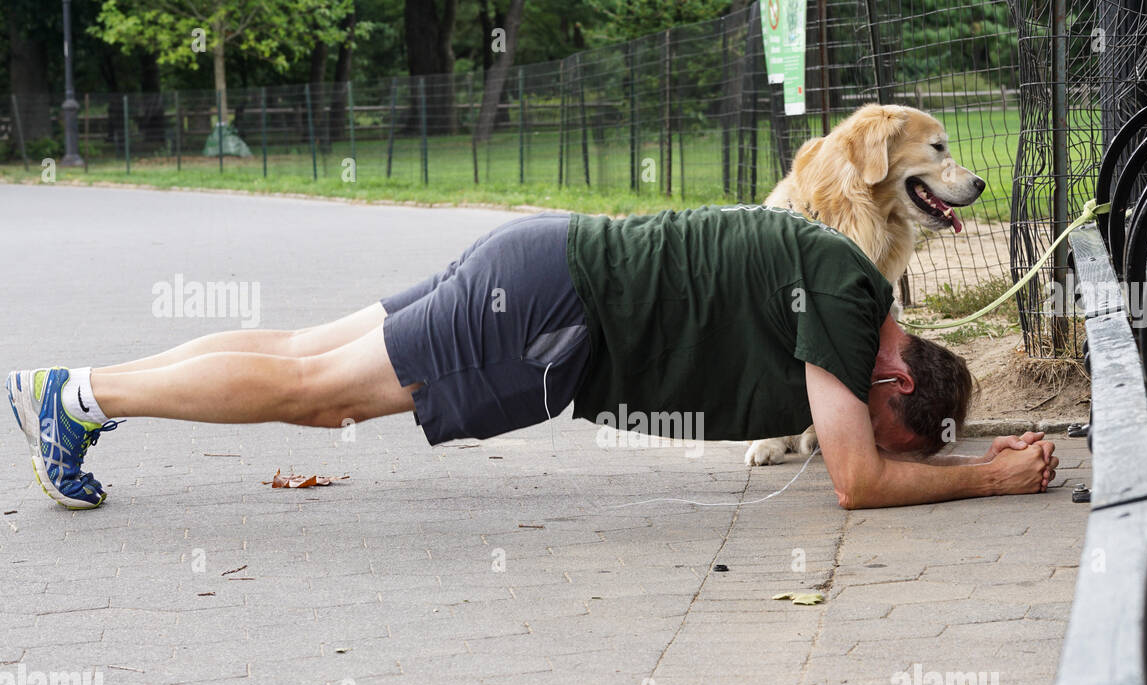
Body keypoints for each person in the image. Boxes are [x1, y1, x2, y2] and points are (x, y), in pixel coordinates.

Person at [6, 204, 1056, 512]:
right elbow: (855, 480)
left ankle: (84, 388)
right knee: (312, 394)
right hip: (551, 310)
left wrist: (971, 447)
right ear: (898, 380)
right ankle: (80, 395)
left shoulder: (837, 284)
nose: (847, 422)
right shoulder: (850, 300)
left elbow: (858, 452)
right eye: (877, 418)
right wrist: (984, 474)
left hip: (543, 264)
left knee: (294, 355)